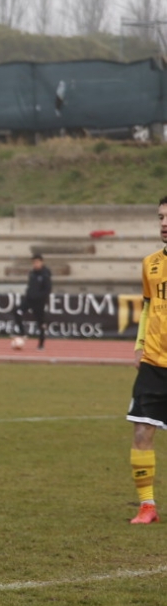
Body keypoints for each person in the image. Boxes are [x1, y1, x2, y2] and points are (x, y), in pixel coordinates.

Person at [125, 197, 167, 525]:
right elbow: (148, 307)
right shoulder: (150, 264)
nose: (164, 223)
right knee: (141, 431)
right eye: (160, 218)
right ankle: (147, 506)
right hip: (154, 362)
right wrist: (140, 346)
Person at [13, 254, 53, 350]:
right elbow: (31, 286)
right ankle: (22, 333)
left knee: (41, 323)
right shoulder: (32, 273)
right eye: (34, 262)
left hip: (39, 302)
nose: (35, 264)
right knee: (16, 311)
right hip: (29, 300)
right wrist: (28, 294)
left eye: (37, 262)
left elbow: (47, 290)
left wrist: (39, 297)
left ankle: (41, 344)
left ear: (41, 262)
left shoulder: (45, 274)